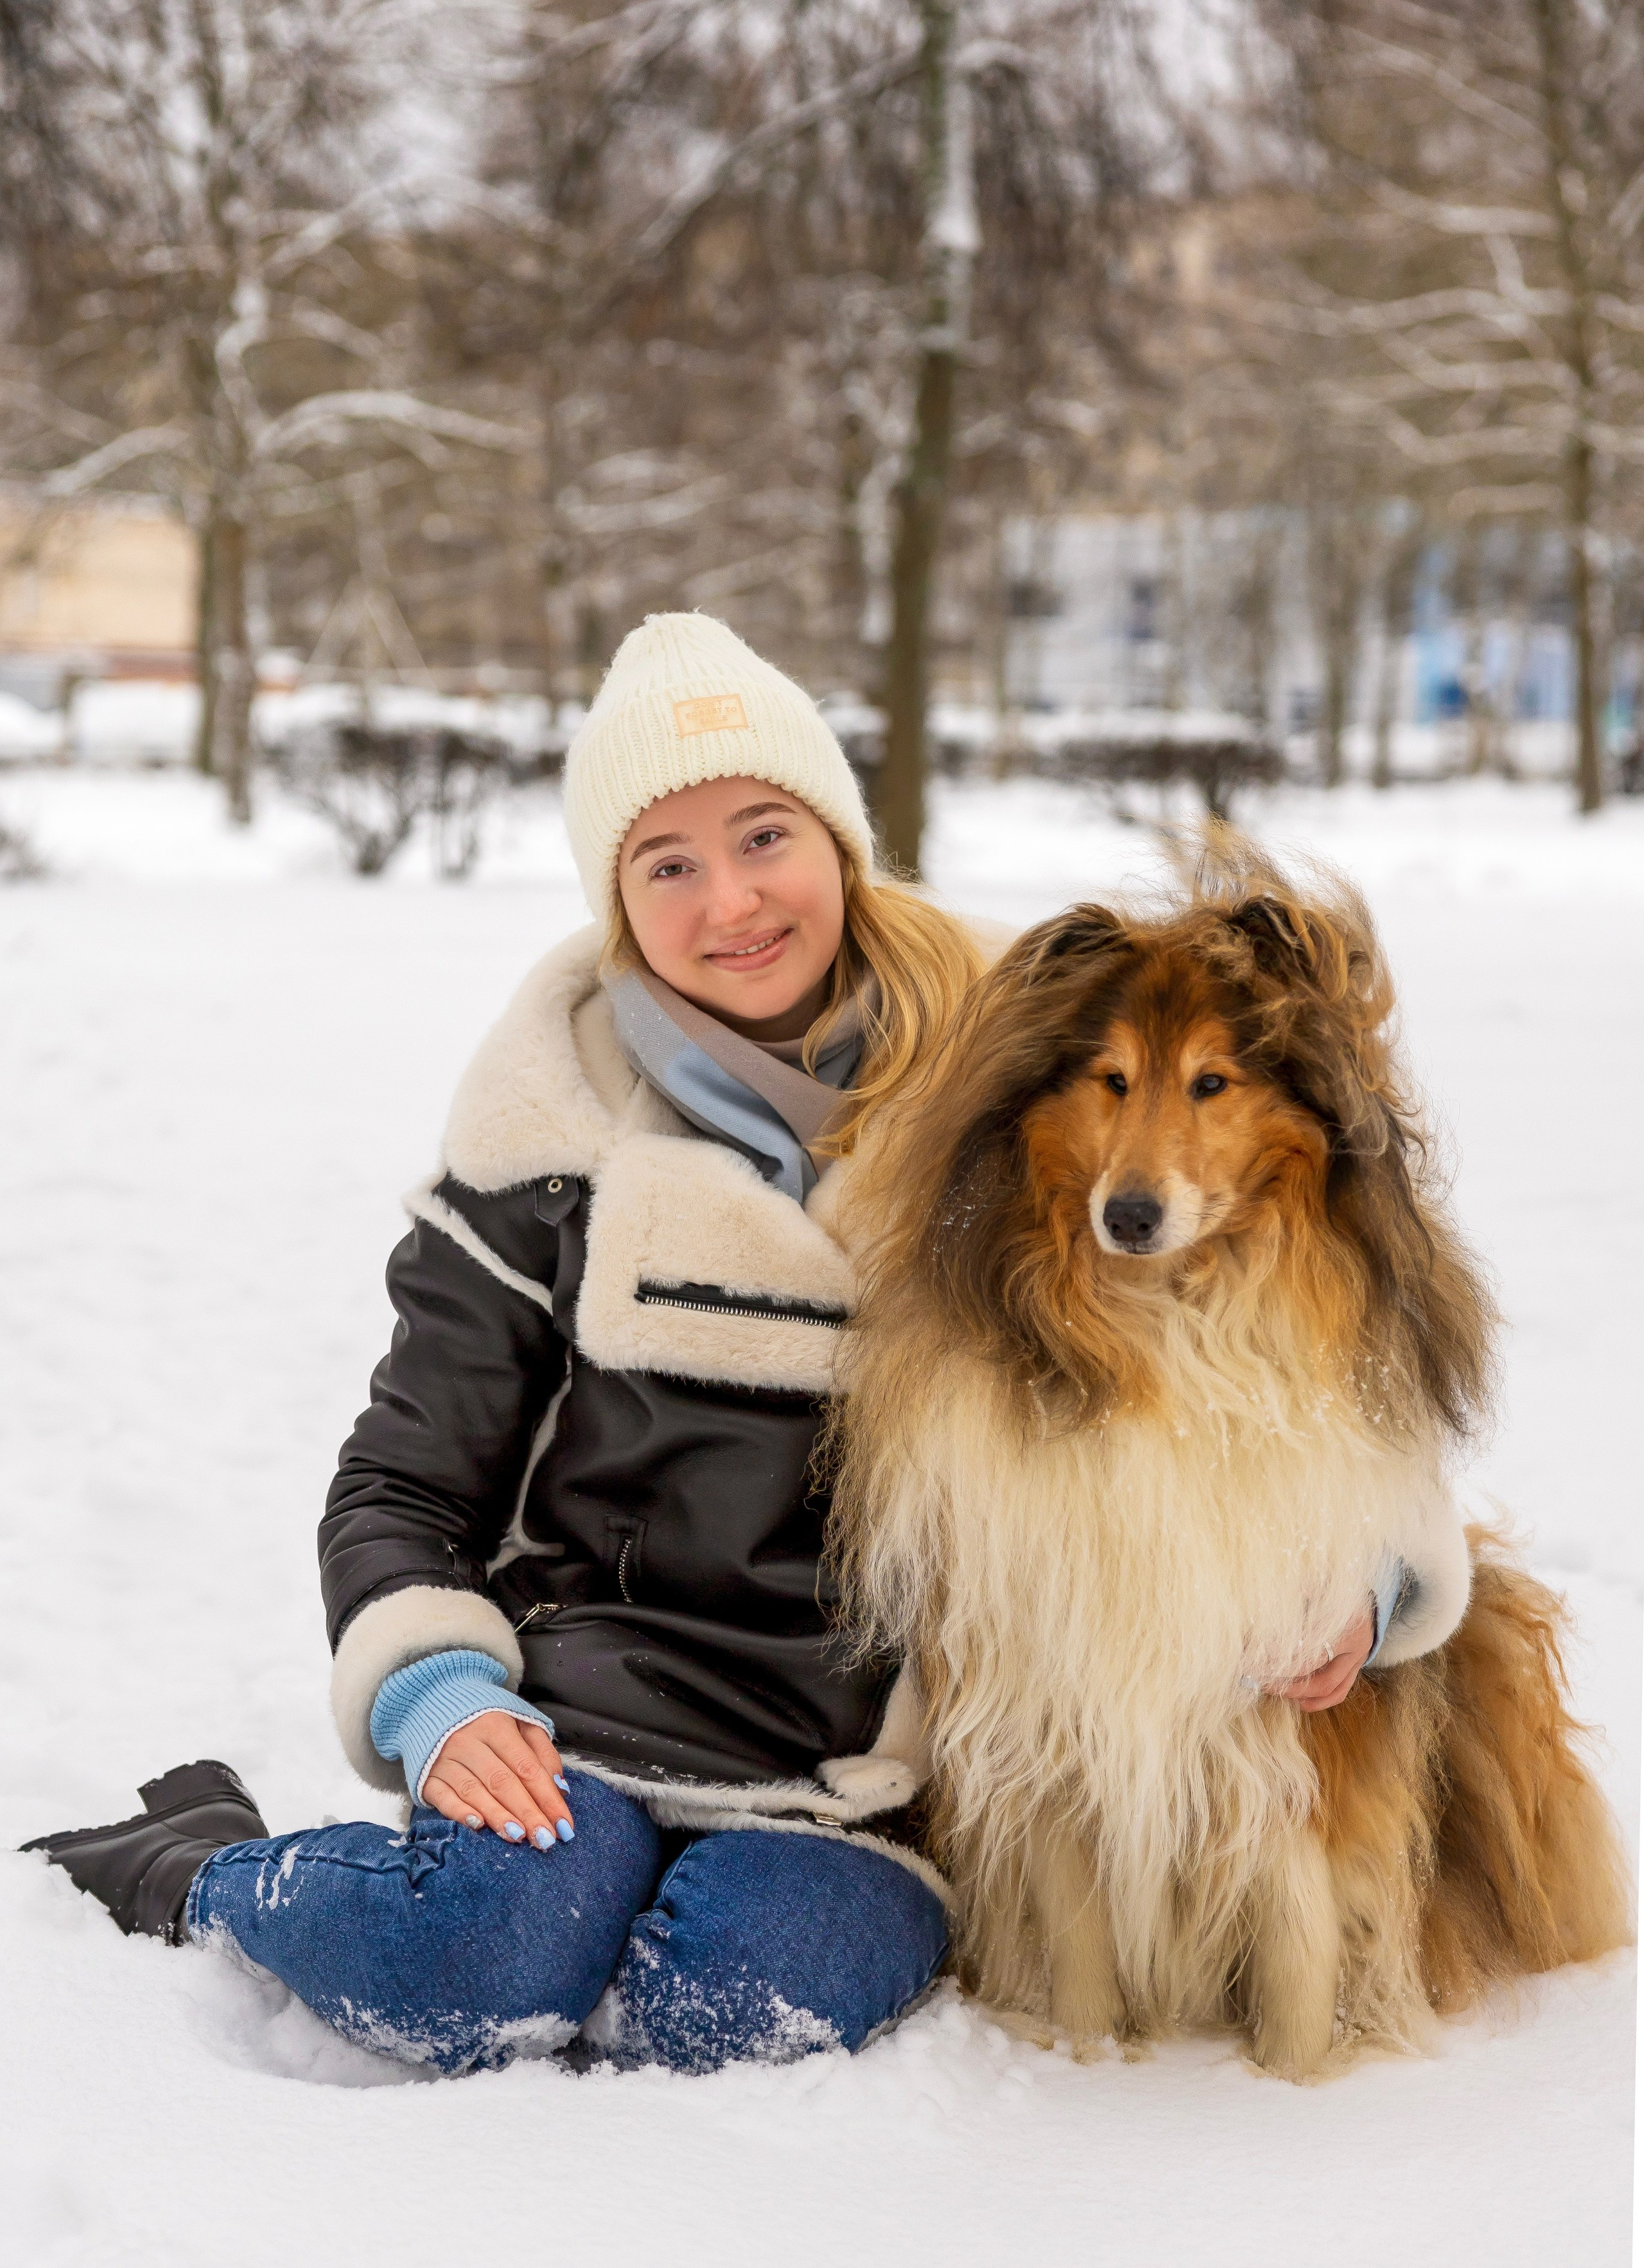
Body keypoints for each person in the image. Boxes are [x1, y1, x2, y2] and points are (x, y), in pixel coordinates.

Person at [24, 613, 1386, 2077]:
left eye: (761, 835)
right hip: (576, 1714)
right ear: (617, 903)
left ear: (838, 841)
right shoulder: (548, 1136)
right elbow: (405, 1482)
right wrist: (437, 1690)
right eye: (664, 864)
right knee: (476, 1971)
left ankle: (614, 1921)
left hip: (871, 1777)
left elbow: (1291, 1335)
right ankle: (202, 1864)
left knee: (730, 2008)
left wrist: (1363, 1581)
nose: (728, 900)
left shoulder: (1038, 1081)